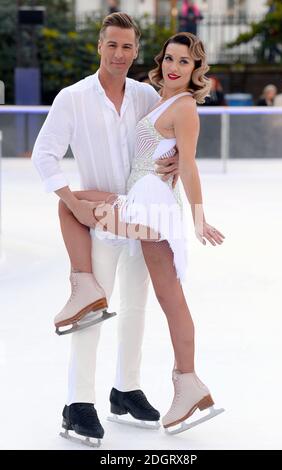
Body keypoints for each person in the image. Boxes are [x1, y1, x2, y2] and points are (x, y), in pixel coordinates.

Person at [49, 29, 226, 434]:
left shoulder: (183, 107)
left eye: (185, 61)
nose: (174, 66)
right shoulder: (158, 98)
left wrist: (198, 218)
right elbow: (169, 153)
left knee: (171, 298)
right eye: (169, 58)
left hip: (151, 210)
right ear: (160, 61)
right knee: (71, 202)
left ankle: (187, 380)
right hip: (139, 202)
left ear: (196, 68)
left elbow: (190, 165)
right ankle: (185, 382)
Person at [32, 12, 180, 445]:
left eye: (128, 47)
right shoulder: (72, 98)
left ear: (136, 52)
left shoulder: (145, 96)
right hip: (99, 221)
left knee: (136, 308)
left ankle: (125, 390)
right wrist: (73, 204)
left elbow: (166, 138)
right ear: (100, 46)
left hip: (142, 220)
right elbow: (45, 155)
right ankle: (78, 404)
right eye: (112, 45)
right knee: (91, 312)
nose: (119, 54)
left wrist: (170, 163)